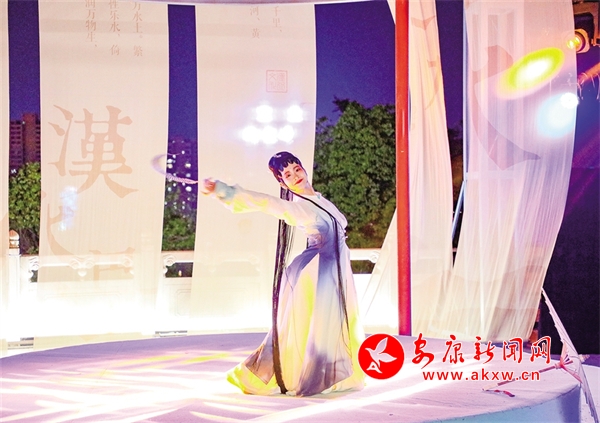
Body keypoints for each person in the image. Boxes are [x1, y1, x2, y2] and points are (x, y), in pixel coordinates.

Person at [201, 151, 365, 396]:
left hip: (334, 268)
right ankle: (313, 376)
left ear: (304, 169)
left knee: (334, 323)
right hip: (319, 271)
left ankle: (334, 374)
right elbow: (267, 202)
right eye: (287, 175)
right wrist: (223, 190)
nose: (295, 175)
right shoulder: (299, 207)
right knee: (319, 327)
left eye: (296, 169)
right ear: (283, 183)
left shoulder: (319, 199)